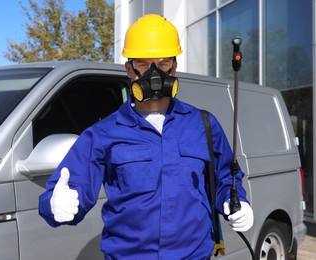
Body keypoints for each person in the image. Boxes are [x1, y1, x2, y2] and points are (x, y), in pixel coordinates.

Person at [39, 14, 253, 259]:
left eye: (162, 64)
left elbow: (226, 176)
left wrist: (237, 201)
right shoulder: (103, 133)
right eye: (143, 63)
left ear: (174, 66)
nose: (154, 73)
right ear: (129, 69)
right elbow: (68, 188)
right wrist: (55, 206)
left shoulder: (203, 124)